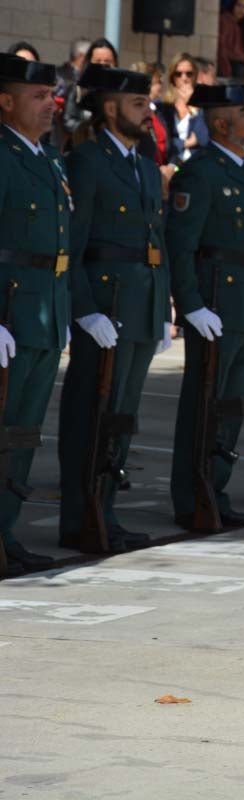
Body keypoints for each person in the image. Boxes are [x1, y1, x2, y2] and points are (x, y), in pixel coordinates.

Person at [57, 65, 172, 554]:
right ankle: (80, 515)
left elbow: (156, 241)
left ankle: (105, 511)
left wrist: (163, 306)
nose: (148, 113)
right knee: (91, 413)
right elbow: (73, 243)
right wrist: (84, 309)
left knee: (122, 416)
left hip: (140, 306)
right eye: (137, 105)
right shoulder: (87, 161)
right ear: (109, 108)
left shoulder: (144, 164)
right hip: (107, 307)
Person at [166, 82, 244, 532]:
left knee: (232, 405)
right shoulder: (201, 172)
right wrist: (190, 304)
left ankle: (216, 489)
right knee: (206, 403)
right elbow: (181, 246)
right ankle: (192, 496)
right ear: (219, 122)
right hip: (217, 304)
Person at [0, 54, 69, 577]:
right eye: (38, 96)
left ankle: (6, 530)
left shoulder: (46, 158)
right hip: (11, 309)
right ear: (6, 101)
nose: (51, 104)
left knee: (23, 431)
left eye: (52, 95)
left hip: (44, 312)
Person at [62, 38, 119, 145]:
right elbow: (68, 121)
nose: (103, 65)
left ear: (115, 64)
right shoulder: (77, 90)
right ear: (89, 63)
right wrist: (89, 130)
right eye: (98, 61)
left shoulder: (121, 94)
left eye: (107, 62)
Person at [159, 53, 209, 165]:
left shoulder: (202, 107)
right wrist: (187, 142)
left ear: (195, 77)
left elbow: (204, 139)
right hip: (171, 165)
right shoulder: (164, 108)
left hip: (196, 165)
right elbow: (164, 142)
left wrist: (193, 108)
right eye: (178, 74)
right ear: (172, 78)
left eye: (189, 74)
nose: (184, 78)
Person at [218, 0, 244, 78]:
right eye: (239, 5)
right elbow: (221, 47)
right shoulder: (225, 20)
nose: (241, 10)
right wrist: (226, 70)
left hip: (240, 65)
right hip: (229, 65)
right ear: (233, 5)